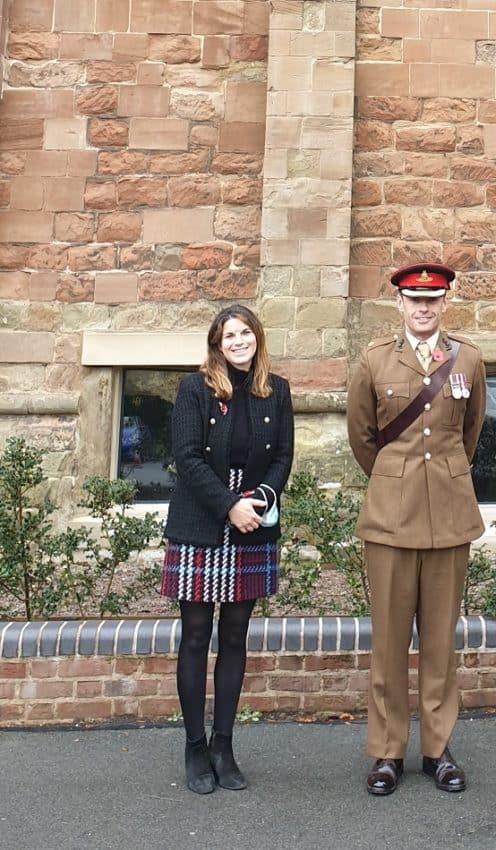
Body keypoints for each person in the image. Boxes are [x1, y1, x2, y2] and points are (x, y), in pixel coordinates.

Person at [347, 262, 487, 797]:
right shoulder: (375, 360)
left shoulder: (467, 358)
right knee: (387, 643)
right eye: (414, 300)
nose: (423, 308)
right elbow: (363, 436)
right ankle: (386, 753)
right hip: (389, 519)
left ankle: (437, 749)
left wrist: (442, 478)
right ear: (400, 304)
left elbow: (469, 431)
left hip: (449, 517)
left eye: (432, 300)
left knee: (439, 643)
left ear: (445, 302)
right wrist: (394, 478)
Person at [160, 304, 294, 794]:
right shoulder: (194, 389)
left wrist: (259, 500)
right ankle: (194, 747)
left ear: (257, 337)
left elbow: (282, 455)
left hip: (252, 524)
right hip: (202, 518)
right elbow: (188, 458)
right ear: (216, 344)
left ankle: (223, 744)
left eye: (245, 333)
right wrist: (229, 506)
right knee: (196, 636)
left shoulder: (275, 390)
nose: (238, 341)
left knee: (235, 636)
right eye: (228, 335)